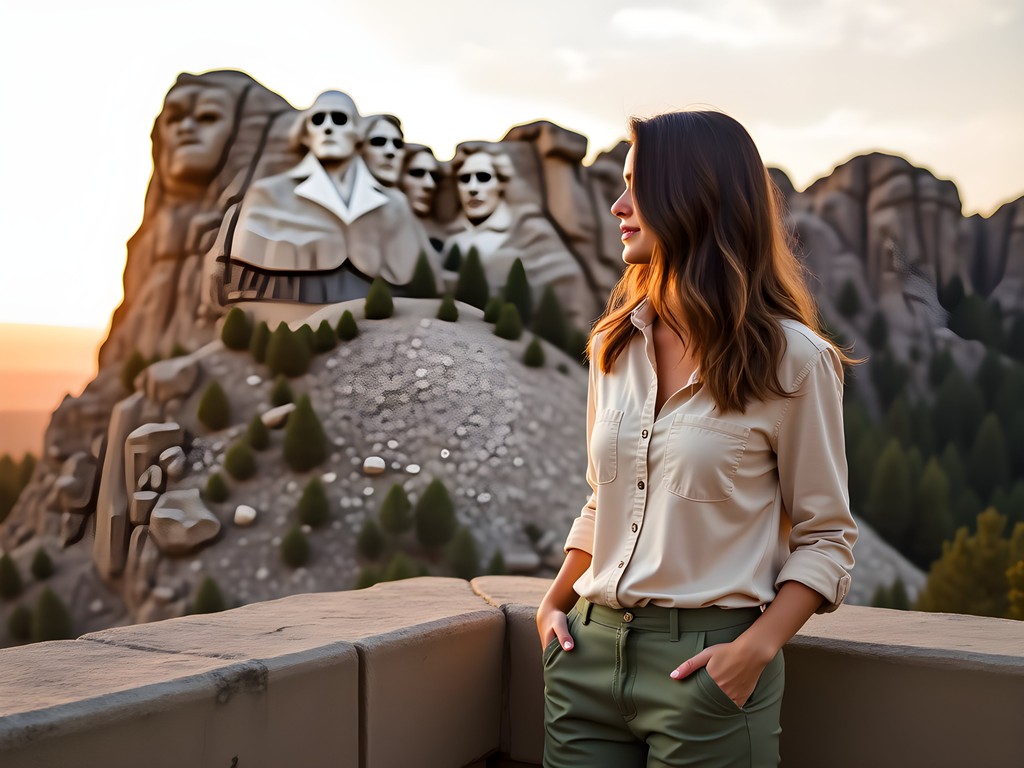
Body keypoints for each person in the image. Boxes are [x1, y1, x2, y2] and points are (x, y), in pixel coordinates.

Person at [537, 111, 858, 768]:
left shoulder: (793, 359)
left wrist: (755, 651)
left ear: (697, 196)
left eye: (638, 186)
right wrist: (553, 603)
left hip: (709, 670)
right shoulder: (614, 345)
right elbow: (605, 500)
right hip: (585, 661)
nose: (617, 205)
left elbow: (827, 536)